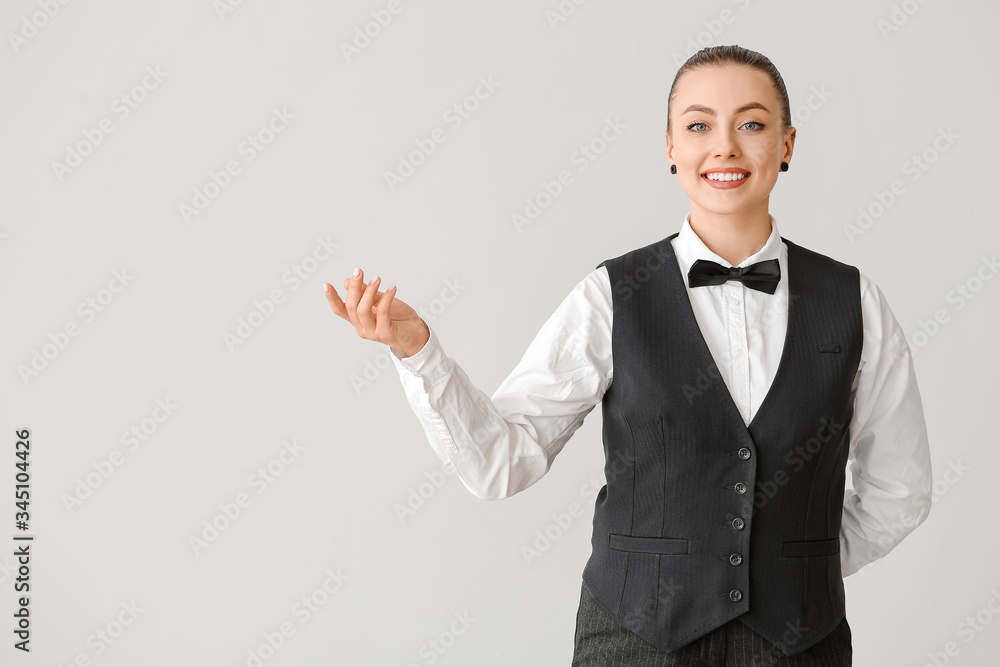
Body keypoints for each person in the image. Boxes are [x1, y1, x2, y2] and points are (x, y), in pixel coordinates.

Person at [322, 44, 933, 667]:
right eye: (698, 126)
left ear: (787, 143)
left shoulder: (854, 301)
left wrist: (795, 569)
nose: (724, 147)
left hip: (802, 644)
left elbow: (900, 490)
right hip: (636, 644)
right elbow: (503, 463)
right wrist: (420, 354)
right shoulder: (611, 296)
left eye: (751, 124)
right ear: (671, 146)